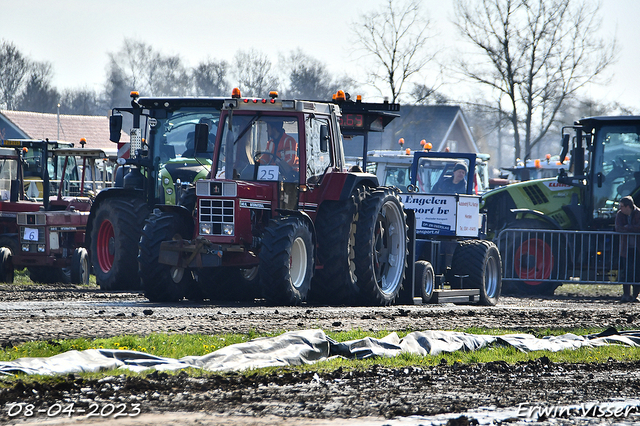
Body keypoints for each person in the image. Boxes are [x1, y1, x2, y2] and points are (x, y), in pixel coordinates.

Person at [615, 195, 640, 302]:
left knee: (637, 272)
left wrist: (628, 227)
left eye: (621, 206)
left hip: (637, 248)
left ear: (628, 206)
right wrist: (632, 229)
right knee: (626, 271)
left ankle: (635, 295)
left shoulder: (639, 214)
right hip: (626, 249)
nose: (619, 209)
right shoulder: (620, 215)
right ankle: (626, 295)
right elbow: (618, 228)